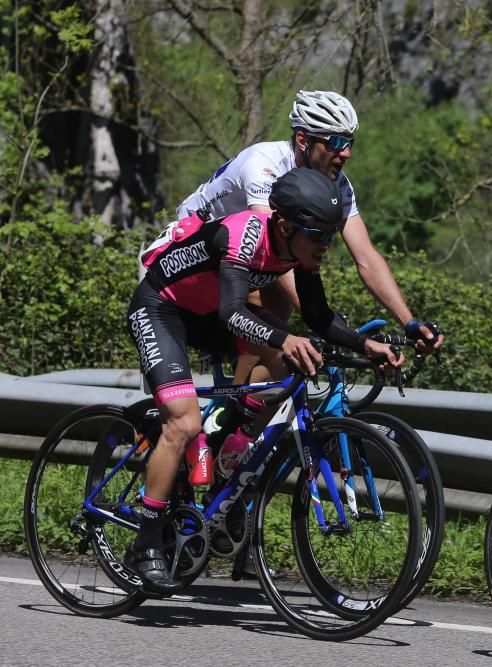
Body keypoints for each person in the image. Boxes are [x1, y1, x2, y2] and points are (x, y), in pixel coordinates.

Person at [125, 168, 403, 594]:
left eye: (330, 236)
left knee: (300, 353)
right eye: (317, 235)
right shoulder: (243, 236)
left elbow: (318, 317)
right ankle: (144, 543)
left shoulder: (298, 249)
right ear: (287, 225)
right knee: (183, 422)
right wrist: (283, 337)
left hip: (207, 315)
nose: (325, 246)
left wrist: (367, 346)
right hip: (162, 309)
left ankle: (229, 435)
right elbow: (233, 313)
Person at [174, 89, 443, 374]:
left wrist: (410, 323)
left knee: (283, 344)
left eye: (350, 142)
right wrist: (327, 322)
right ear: (303, 140)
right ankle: (230, 414)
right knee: (271, 333)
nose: (347, 153)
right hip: (194, 257)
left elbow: (365, 256)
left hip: (246, 257)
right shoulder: (264, 165)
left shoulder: (336, 184)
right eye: (337, 142)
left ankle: (250, 407)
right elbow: (278, 247)